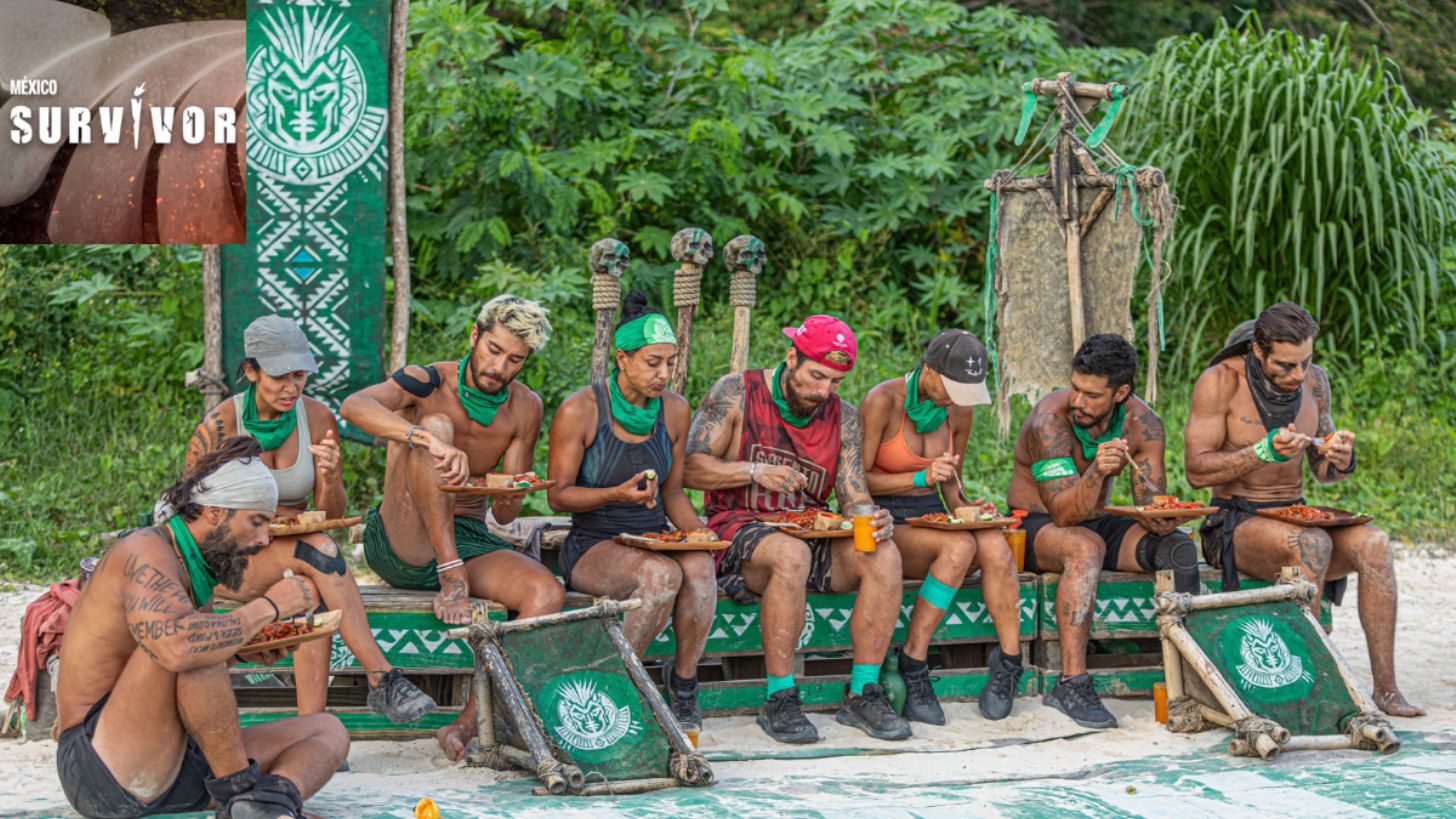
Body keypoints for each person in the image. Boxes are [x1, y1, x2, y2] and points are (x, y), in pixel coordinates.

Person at [55, 437, 348, 819]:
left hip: (173, 761)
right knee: (196, 643)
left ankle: (269, 803)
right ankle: (241, 792)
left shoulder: (196, 568)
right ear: (214, 512)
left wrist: (242, 651)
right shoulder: (144, 551)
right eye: (257, 522)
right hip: (101, 769)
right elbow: (181, 648)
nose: (264, 540)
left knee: (328, 731)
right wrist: (270, 607)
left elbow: (184, 672)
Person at [339, 294, 566, 760]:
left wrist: (512, 490)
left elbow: (506, 514)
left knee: (546, 594)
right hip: (404, 538)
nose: (499, 367)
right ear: (474, 336)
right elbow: (353, 405)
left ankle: (466, 724)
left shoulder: (525, 407)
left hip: (468, 536)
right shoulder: (427, 380)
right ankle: (450, 574)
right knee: (438, 425)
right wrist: (424, 437)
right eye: (493, 350)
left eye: (514, 359)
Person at [187, 315, 435, 726]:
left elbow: (329, 517)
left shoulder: (317, 418)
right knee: (317, 550)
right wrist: (255, 524)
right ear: (251, 370)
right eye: (279, 376)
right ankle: (382, 677)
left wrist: (330, 476)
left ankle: (312, 729)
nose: (292, 387)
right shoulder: (219, 426)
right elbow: (192, 519)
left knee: (310, 586)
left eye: (299, 375)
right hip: (226, 559)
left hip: (295, 555)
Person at [1185, 302, 1422, 717]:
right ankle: (1310, 689)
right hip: (1235, 522)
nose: (1298, 374)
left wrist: (1340, 457)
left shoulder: (1316, 383)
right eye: (1285, 365)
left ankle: (1386, 690)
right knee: (1312, 543)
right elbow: (1196, 471)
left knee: (1376, 544)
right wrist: (1261, 452)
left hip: (1294, 515)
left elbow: (1323, 469)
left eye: (1305, 362)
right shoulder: (1220, 381)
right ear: (1258, 350)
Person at [685, 315, 909, 744]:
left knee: (884, 553)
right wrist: (753, 471)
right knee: (792, 555)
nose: (824, 391)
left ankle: (863, 692)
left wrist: (872, 515)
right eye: (817, 376)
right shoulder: (737, 392)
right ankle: (780, 698)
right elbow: (690, 469)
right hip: (739, 529)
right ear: (792, 358)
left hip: (810, 530)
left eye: (836, 382)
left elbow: (853, 496)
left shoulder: (844, 418)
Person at [1007, 333, 1196, 729]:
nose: (1078, 401)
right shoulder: (1048, 422)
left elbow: (1149, 501)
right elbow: (1062, 513)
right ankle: (1071, 683)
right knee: (1085, 546)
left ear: (1121, 393)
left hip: (1095, 519)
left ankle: (1191, 673)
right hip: (1037, 523)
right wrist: (1095, 472)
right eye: (1075, 388)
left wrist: (1160, 517)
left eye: (1092, 395)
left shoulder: (1143, 424)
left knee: (1176, 548)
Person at [546, 292, 717, 732]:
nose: (664, 374)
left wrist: (701, 536)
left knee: (700, 567)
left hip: (652, 537)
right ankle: (616, 685)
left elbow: (673, 492)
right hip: (594, 544)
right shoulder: (580, 410)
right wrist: (615, 495)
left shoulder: (675, 411)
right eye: (652, 363)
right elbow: (558, 496)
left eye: (670, 363)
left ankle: (683, 684)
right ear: (622, 359)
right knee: (662, 576)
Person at [861, 330, 1023, 725]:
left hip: (933, 516)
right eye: (952, 389)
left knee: (994, 542)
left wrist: (967, 509)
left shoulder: (959, 411)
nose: (956, 399)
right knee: (959, 547)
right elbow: (856, 482)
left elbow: (951, 483)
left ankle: (1010, 660)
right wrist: (919, 478)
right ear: (930, 370)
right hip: (887, 520)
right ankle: (914, 662)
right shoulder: (883, 401)